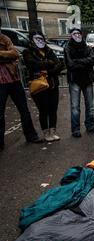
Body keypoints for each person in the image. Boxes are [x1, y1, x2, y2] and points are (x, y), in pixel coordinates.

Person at [0, 22, 42, 150]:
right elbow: (11, 55)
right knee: (0, 113)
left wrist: (2, 54)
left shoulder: (5, 38)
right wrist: (6, 55)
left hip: (13, 79)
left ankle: (31, 135)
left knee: (24, 109)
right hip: (0, 83)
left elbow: (15, 53)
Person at [23, 30, 64, 142]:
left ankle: (53, 131)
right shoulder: (28, 52)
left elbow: (60, 64)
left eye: (41, 38)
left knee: (53, 109)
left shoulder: (49, 50)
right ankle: (46, 133)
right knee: (43, 110)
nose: (40, 41)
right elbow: (33, 65)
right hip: (39, 86)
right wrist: (49, 63)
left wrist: (48, 72)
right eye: (37, 38)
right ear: (31, 39)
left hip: (52, 84)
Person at [64, 27, 94, 138]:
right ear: (71, 36)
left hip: (87, 79)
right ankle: (75, 129)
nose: (77, 35)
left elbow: (92, 60)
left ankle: (90, 126)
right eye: (74, 34)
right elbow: (70, 64)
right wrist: (84, 62)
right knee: (75, 106)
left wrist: (78, 61)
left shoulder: (87, 47)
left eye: (79, 33)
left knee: (90, 106)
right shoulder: (67, 48)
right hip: (74, 80)